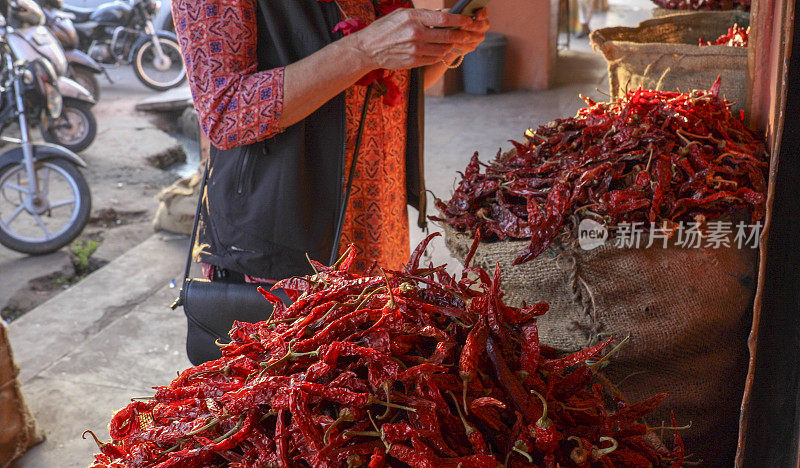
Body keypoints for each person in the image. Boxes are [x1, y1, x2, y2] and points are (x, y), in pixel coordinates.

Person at [172, 0, 489, 284]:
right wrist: (362, 50)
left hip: (378, 229)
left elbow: (387, 88)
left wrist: (445, 45)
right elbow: (225, 113)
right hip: (284, 240)